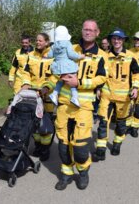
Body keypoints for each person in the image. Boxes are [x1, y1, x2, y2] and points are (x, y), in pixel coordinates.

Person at [43, 19, 107, 190]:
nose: (87, 32)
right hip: (64, 105)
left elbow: (101, 78)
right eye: (85, 29)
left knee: (79, 148)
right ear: (81, 30)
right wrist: (47, 86)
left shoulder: (102, 55)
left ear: (97, 32)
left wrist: (79, 83)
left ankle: (83, 172)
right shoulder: (69, 47)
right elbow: (55, 71)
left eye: (91, 30)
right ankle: (66, 174)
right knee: (63, 145)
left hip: (84, 106)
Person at [94, 28, 139, 161]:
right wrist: (98, 88)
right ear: (110, 40)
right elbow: (100, 74)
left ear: (123, 40)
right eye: (114, 38)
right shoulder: (105, 56)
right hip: (107, 94)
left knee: (121, 124)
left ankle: (117, 144)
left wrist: (136, 87)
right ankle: (101, 149)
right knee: (103, 122)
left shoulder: (131, 56)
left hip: (124, 96)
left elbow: (137, 74)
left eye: (119, 39)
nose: (116, 41)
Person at [21, 32, 55, 162]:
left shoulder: (53, 56)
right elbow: (26, 72)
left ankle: (45, 148)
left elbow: (55, 76)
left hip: (47, 97)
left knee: (45, 125)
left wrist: (46, 88)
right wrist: (25, 83)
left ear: (47, 42)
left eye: (40, 40)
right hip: (33, 95)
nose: (38, 42)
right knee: (34, 124)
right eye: (37, 40)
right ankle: (38, 145)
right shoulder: (31, 56)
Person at [47, 25, 85, 107]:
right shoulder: (67, 43)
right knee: (72, 78)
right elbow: (71, 54)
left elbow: (50, 55)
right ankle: (74, 97)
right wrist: (80, 56)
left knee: (61, 80)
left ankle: (54, 93)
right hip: (67, 66)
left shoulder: (53, 45)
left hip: (57, 66)